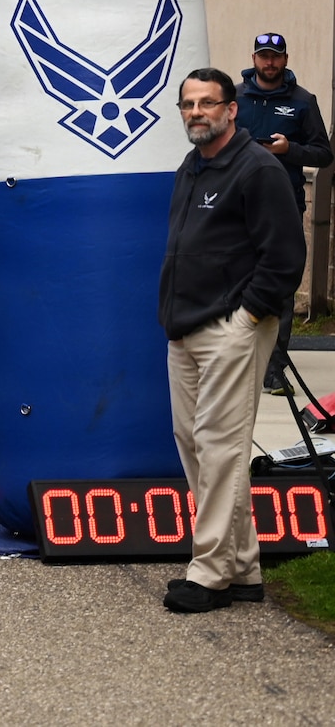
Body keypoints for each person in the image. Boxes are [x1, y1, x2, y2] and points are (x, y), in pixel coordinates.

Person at [159, 68, 307, 612]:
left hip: (232, 327)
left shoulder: (258, 169)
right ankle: (243, 567)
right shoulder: (192, 166)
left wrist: (246, 319)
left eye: (207, 103)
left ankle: (210, 571)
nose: (196, 112)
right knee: (195, 444)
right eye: (188, 104)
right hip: (185, 326)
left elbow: (286, 257)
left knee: (220, 446)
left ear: (231, 109)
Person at [233, 33, 331, 392]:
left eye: (275, 57)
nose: (269, 63)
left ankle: (273, 370)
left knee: (281, 285)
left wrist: (289, 150)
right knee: (233, 282)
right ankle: (237, 362)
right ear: (254, 58)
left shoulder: (304, 101)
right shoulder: (235, 99)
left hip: (284, 204)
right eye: (263, 56)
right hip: (238, 204)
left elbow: (323, 154)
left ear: (286, 59)